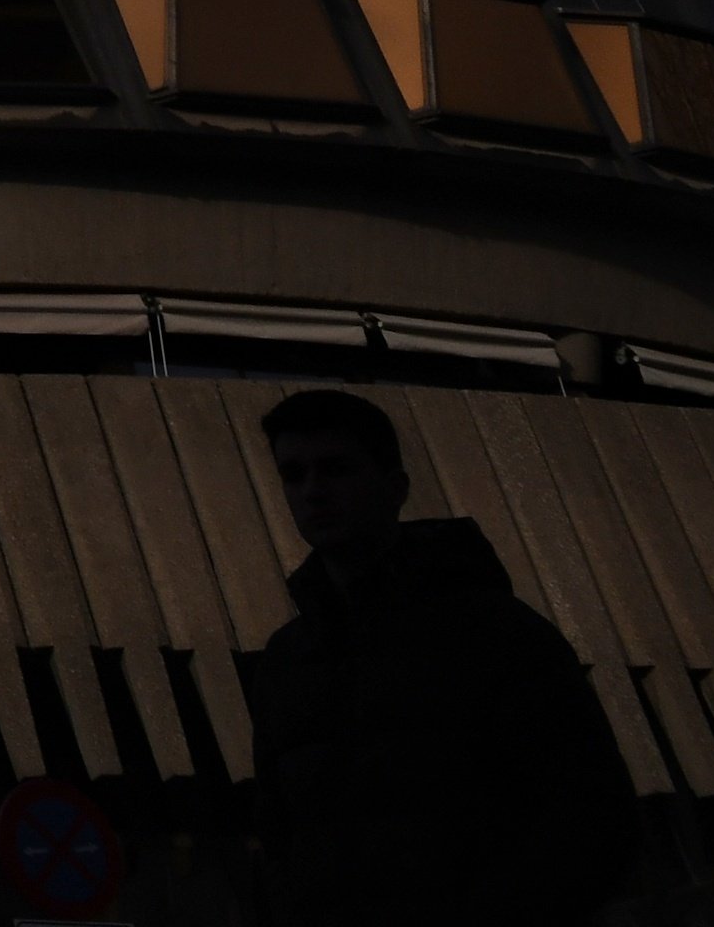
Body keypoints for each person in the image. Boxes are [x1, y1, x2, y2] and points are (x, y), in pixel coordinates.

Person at [248, 387, 639, 927]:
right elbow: (281, 835)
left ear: (395, 488)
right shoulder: (287, 662)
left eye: (335, 469)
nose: (313, 491)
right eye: (294, 475)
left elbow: (588, 818)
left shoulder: (497, 636)